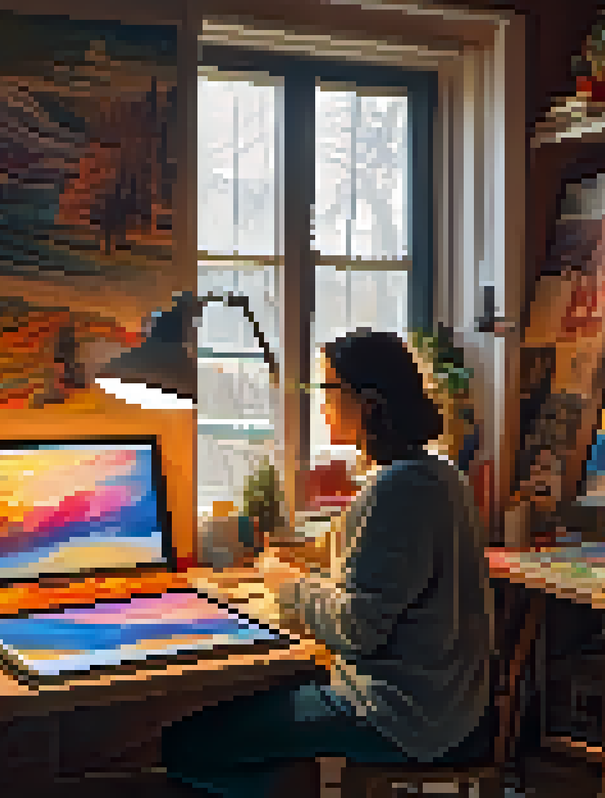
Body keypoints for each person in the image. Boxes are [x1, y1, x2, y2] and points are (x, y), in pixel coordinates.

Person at [163, 329, 496, 798]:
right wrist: (301, 561)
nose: (320, 403)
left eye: (328, 388)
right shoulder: (437, 474)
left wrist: (287, 585)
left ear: (369, 404)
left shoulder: (400, 490)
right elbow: (368, 563)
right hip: (443, 705)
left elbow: (357, 630)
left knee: (188, 744)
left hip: (402, 715)